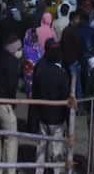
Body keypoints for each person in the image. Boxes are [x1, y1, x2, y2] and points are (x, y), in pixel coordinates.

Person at [31, 40, 69, 174]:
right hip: (57, 118)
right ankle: (55, 171)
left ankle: (39, 171)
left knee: (41, 145)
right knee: (56, 147)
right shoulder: (61, 73)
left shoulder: (40, 69)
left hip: (42, 115)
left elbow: (35, 92)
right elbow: (66, 96)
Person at [0, 36, 22, 174]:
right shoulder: (13, 62)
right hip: (5, 103)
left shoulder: (0, 58)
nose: (21, 51)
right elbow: (12, 84)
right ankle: (10, 170)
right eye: (19, 48)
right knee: (11, 137)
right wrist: (12, 102)